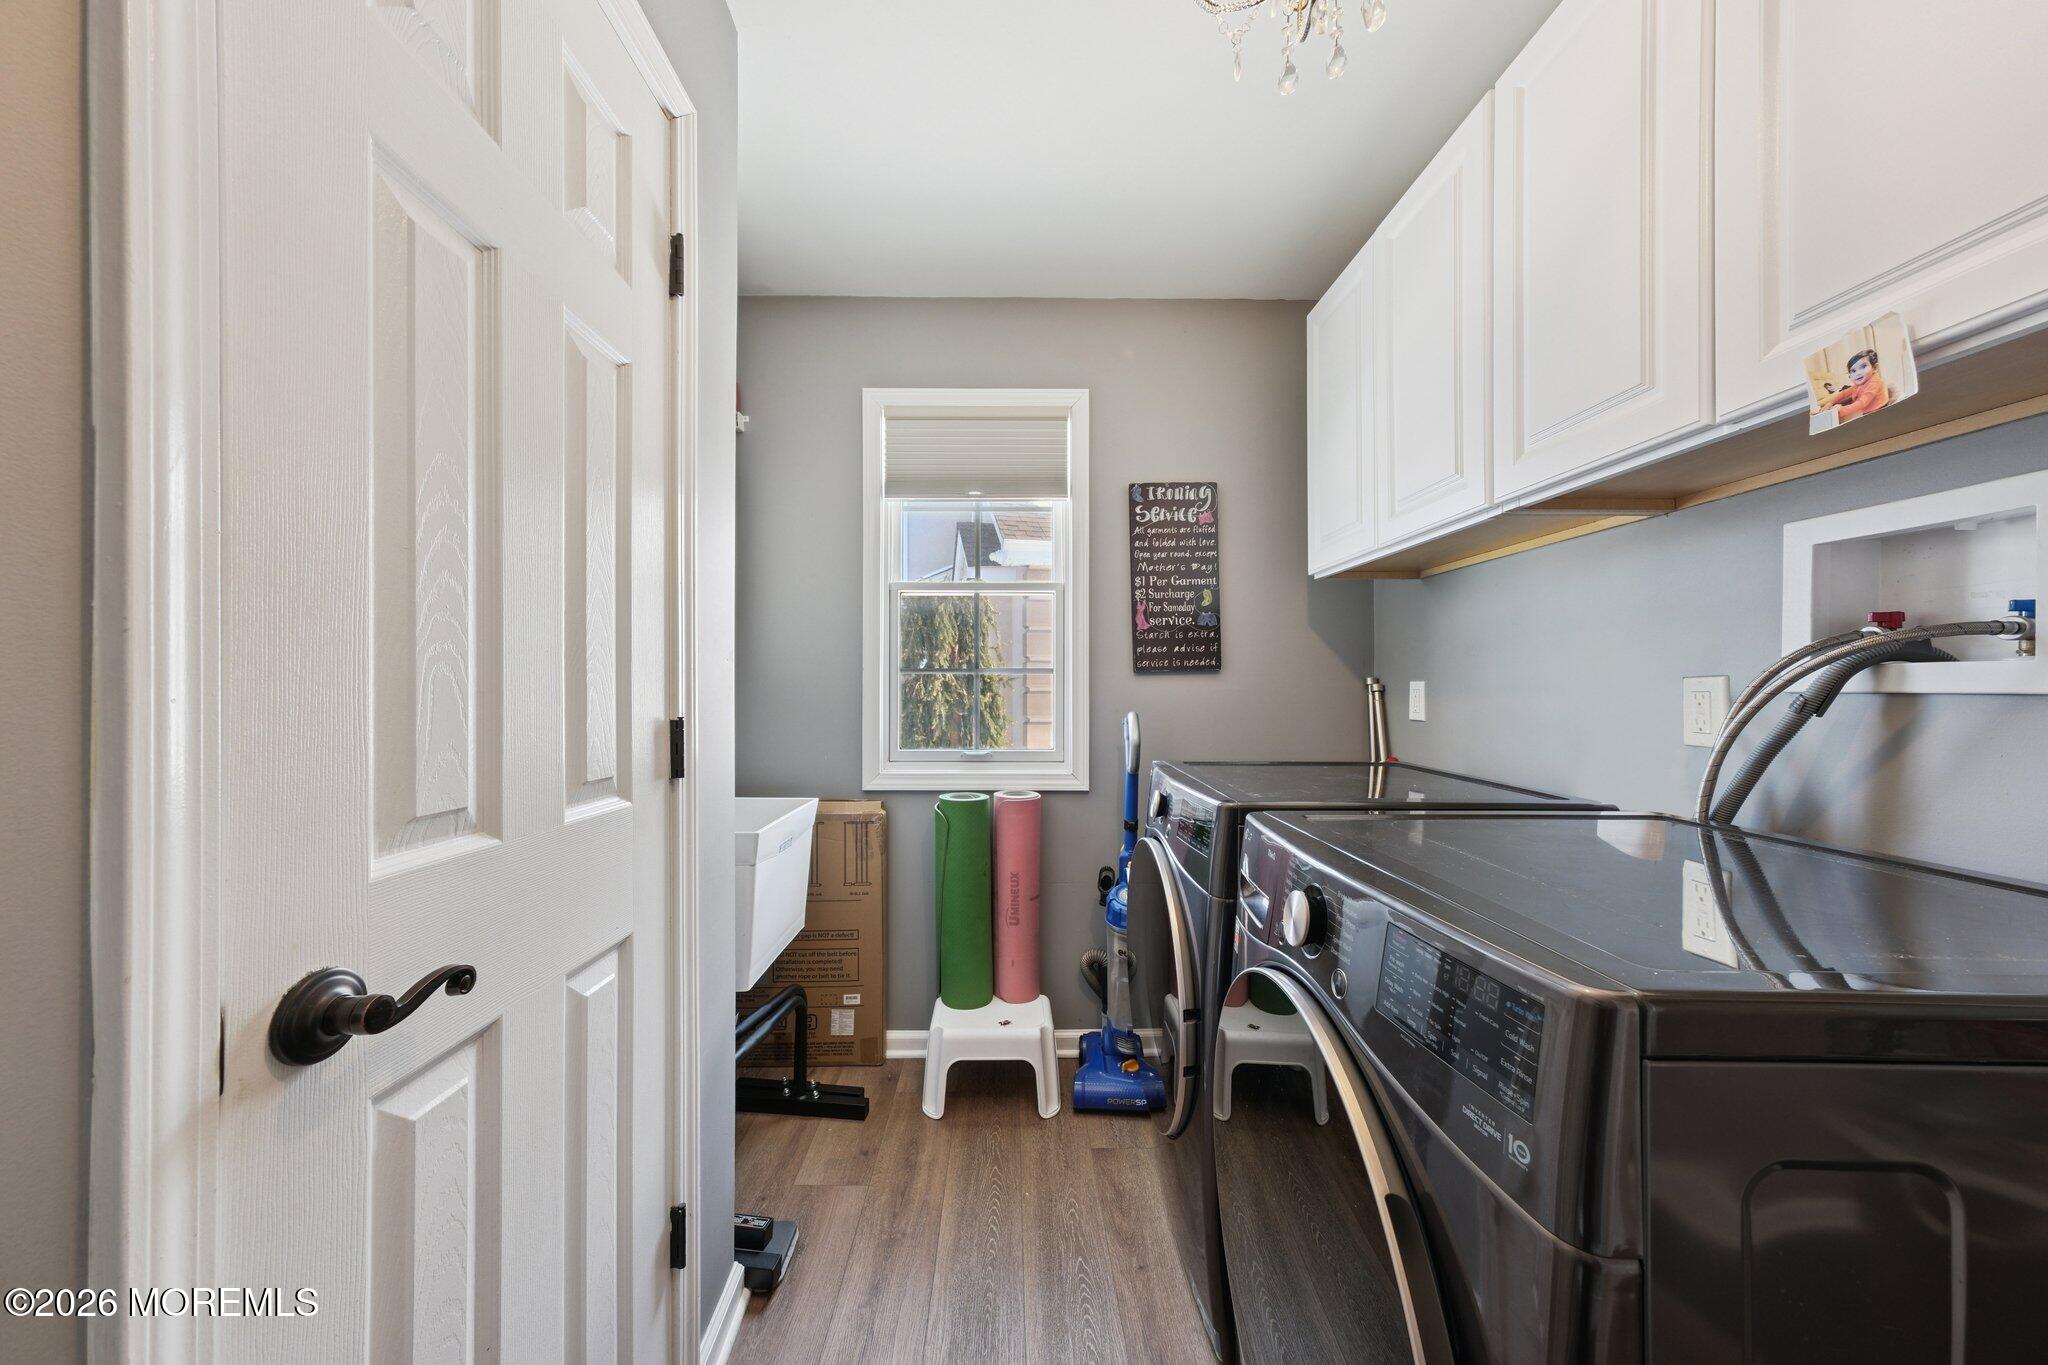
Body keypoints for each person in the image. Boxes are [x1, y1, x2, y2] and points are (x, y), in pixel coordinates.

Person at [1820, 348, 1891, 421]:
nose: (1858, 373)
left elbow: (1862, 403)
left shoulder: (1874, 382)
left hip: (1879, 411)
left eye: (1863, 366)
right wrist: (1830, 403)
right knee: (1845, 395)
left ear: (1874, 368)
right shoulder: (1860, 383)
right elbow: (1844, 393)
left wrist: (1840, 411)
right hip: (1868, 408)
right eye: (1853, 371)